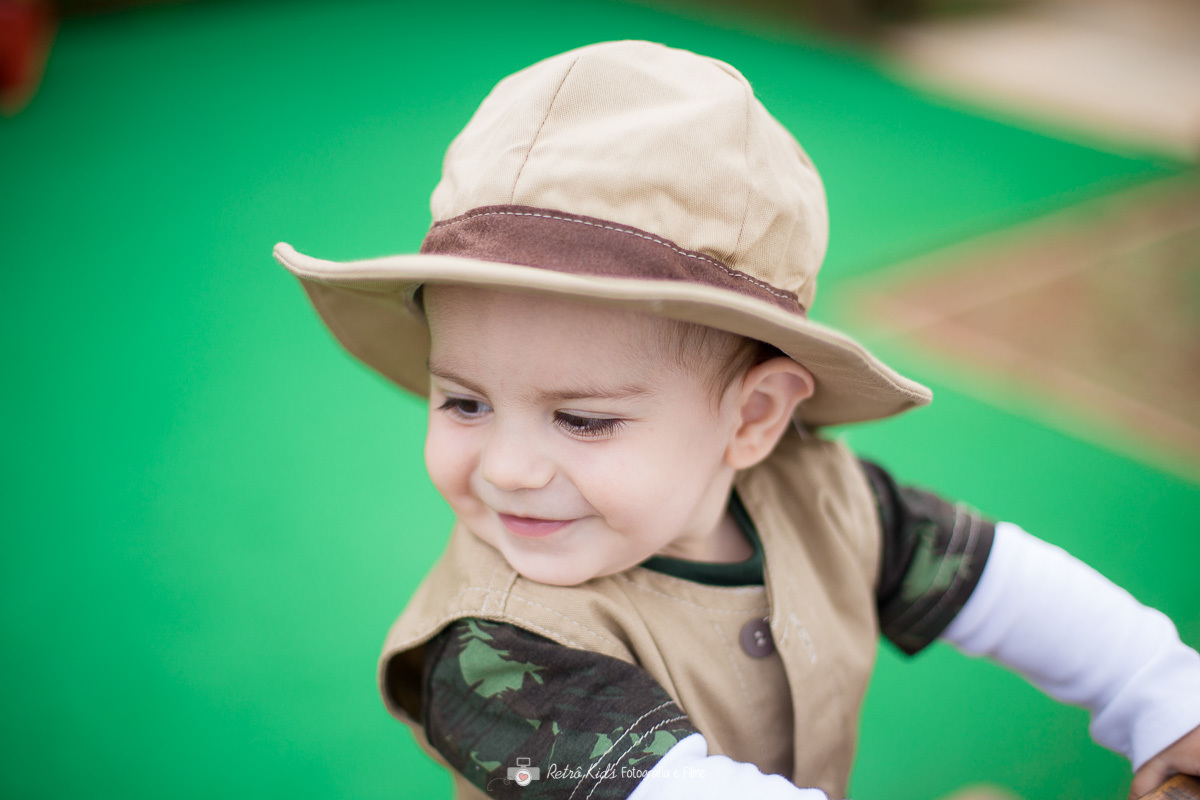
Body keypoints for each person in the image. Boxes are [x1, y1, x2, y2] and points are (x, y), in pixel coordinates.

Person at [272, 40, 1200, 800]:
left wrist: (1158, 693)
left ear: (752, 419)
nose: (508, 467)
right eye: (465, 401)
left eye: (584, 419)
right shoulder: (492, 651)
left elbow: (998, 581)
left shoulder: (821, 497)